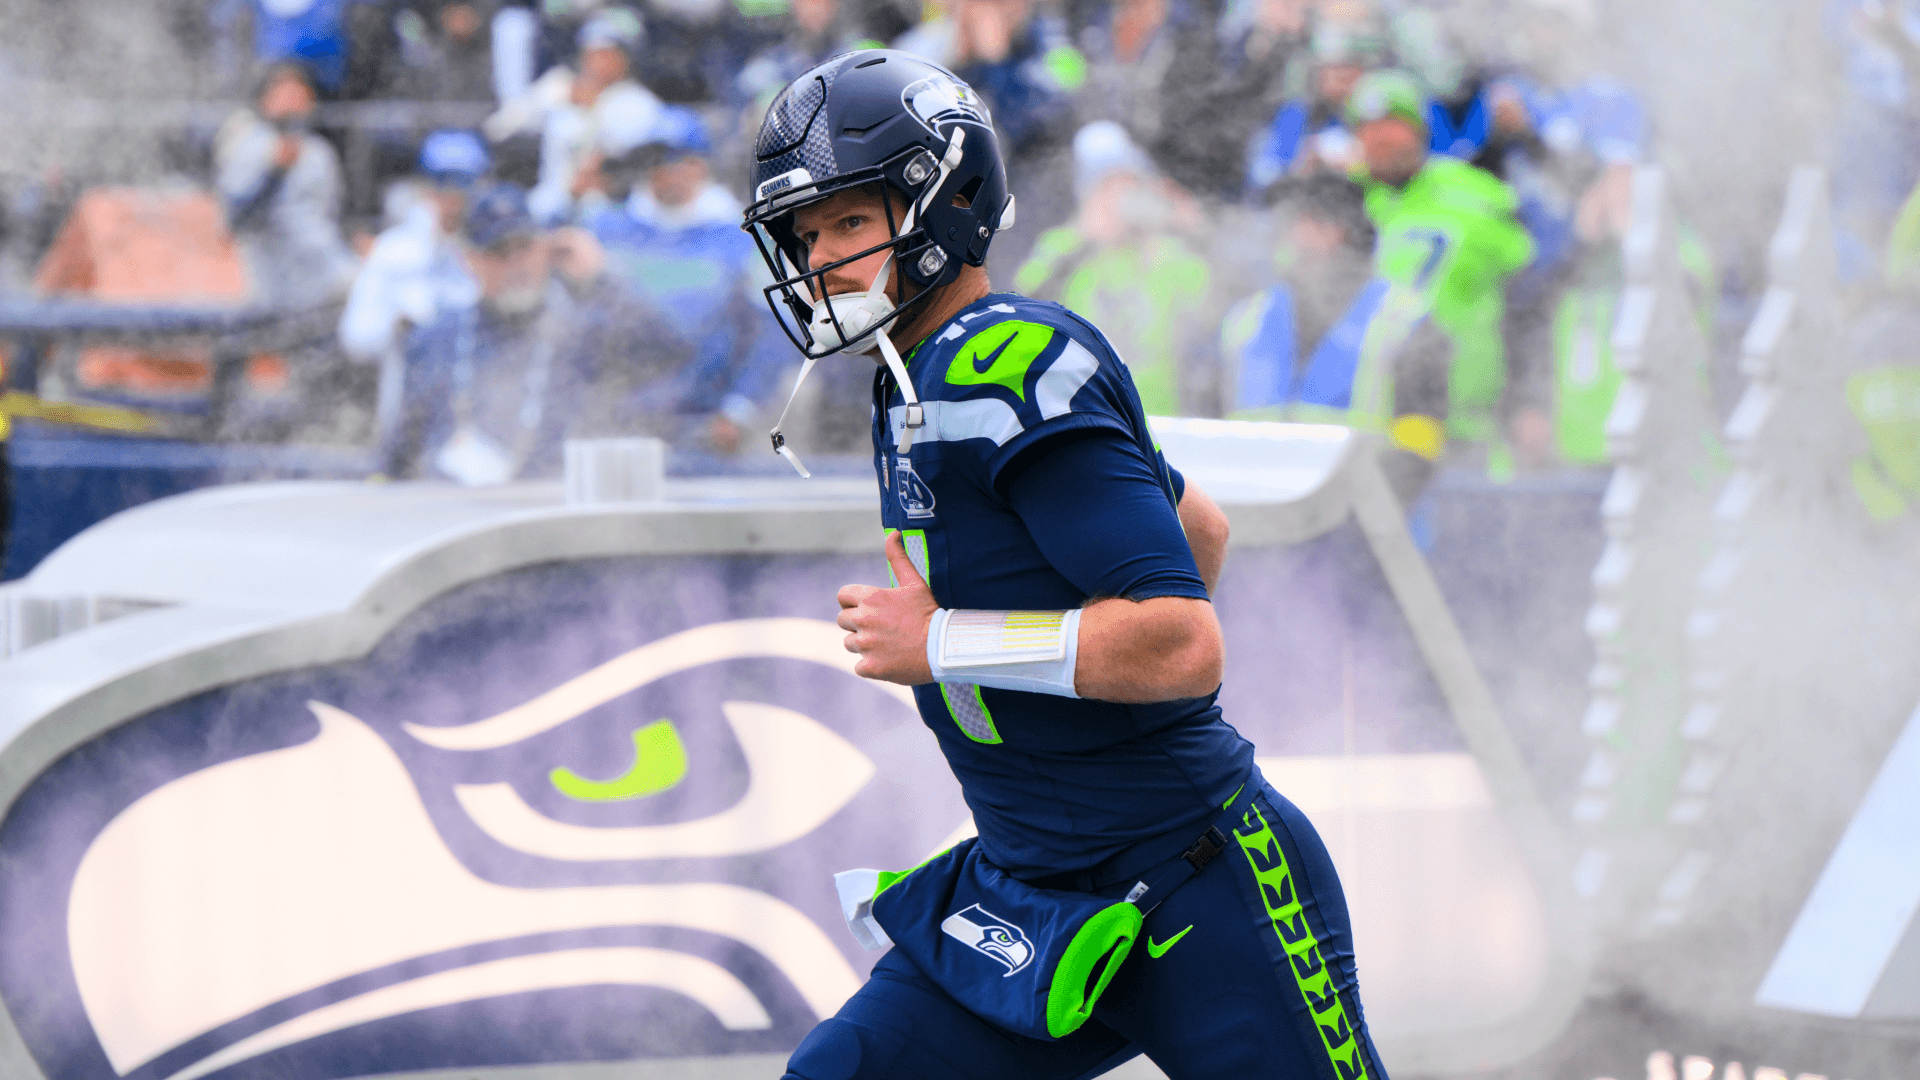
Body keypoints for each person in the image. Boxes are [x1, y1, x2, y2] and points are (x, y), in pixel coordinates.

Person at [741, 51, 1389, 1079]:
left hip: (1194, 877)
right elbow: (1202, 528)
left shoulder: (1013, 365)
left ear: (944, 207)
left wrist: (947, 642)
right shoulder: (914, 376)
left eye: (850, 225)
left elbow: (1182, 642)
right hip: (1031, 879)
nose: (820, 260)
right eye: (808, 234)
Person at [381, 183, 691, 482]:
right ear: (470, 260)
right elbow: (403, 449)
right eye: (500, 252)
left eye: (525, 247)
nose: (517, 263)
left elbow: (670, 354)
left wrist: (600, 281)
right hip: (452, 508)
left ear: (546, 249)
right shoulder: (437, 339)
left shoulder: (583, 332)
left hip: (548, 511)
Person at [1220, 174, 1448, 501]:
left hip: (1366, 527)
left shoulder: (1402, 320)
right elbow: (1212, 422)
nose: (1288, 236)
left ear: (1336, 231)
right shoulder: (1248, 319)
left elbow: (1422, 433)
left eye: (1301, 221)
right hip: (1259, 524)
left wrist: (1378, 505)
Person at [1347, 69, 1532, 467]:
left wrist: (1528, 399)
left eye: (1393, 125)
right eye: (1367, 128)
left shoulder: (1470, 192)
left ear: (1418, 130)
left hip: (1462, 414)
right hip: (1371, 416)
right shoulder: (1342, 202)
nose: (1380, 139)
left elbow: (1529, 290)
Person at [589, 107, 793, 453]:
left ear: (700, 165)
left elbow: (776, 326)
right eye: (654, 160)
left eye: (674, 159)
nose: (663, 171)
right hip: (622, 417)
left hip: (705, 424)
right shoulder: (606, 229)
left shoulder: (745, 237)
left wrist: (739, 409)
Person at [1013, 121, 1212, 416]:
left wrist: (1187, 224)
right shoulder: (1064, 246)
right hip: (1082, 417)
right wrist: (1085, 238)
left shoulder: (1165, 253)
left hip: (1159, 421)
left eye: (1129, 184)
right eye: (1108, 187)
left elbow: (1215, 304)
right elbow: (1024, 309)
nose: (1121, 199)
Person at [340, 130, 491, 438]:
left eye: (464, 183)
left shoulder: (495, 252)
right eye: (442, 182)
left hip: (482, 422)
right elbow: (355, 338)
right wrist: (397, 324)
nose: (453, 195)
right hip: (409, 423)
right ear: (425, 187)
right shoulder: (394, 252)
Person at [214, 61, 359, 310]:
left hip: (324, 263)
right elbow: (236, 221)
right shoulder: (249, 147)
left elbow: (332, 215)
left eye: (299, 93)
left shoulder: (319, 153)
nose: (293, 102)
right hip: (276, 270)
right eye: (284, 93)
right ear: (265, 100)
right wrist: (275, 172)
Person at [525, 7, 664, 224]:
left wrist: (590, 107)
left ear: (627, 58)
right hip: (556, 197)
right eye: (594, 52)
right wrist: (561, 98)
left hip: (617, 203)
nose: (600, 60)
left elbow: (621, 155)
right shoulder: (559, 87)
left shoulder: (641, 102)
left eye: (610, 53)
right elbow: (505, 125)